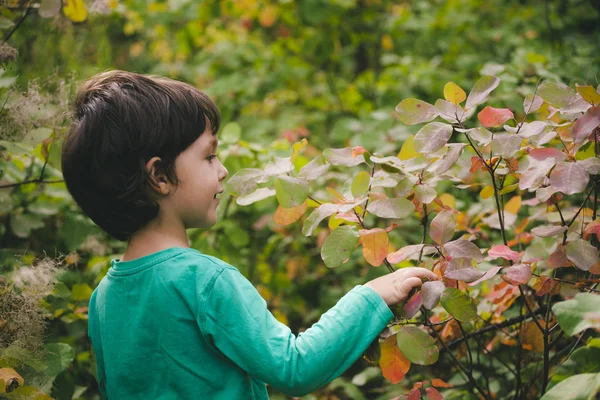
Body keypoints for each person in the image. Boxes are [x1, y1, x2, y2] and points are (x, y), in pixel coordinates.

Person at [61, 70, 438, 400]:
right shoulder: (205, 282)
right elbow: (294, 368)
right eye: (209, 157)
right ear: (159, 177)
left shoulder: (103, 299)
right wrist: (371, 297)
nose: (223, 171)